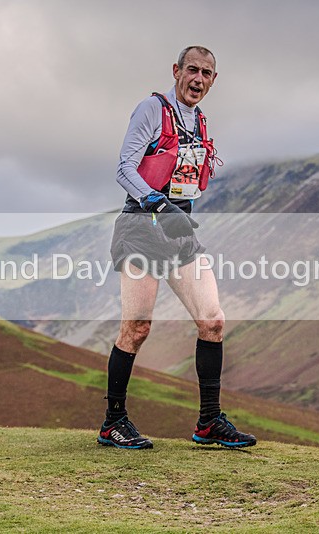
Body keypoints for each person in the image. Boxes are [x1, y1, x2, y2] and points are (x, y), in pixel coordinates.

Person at [97, 45, 257, 449]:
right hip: (141, 226)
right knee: (136, 329)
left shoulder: (200, 121)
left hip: (180, 231)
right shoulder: (152, 109)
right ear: (176, 71)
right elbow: (123, 168)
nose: (198, 80)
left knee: (213, 321)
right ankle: (112, 422)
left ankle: (209, 423)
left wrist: (175, 209)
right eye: (192, 70)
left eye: (206, 73)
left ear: (213, 80)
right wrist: (155, 201)